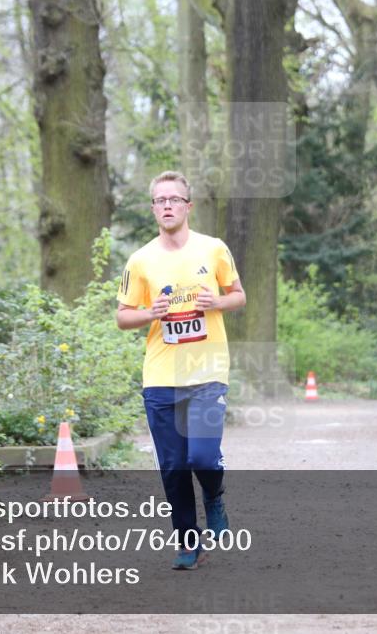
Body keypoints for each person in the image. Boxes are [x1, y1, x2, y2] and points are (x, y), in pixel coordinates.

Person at [116, 170, 246, 570]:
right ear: (153, 208)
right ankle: (189, 543)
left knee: (203, 458)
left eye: (174, 199)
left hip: (207, 372)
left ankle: (214, 498)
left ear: (188, 206)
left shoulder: (214, 250)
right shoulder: (141, 260)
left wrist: (216, 303)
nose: (167, 205)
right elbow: (122, 317)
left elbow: (239, 296)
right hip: (160, 377)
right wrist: (147, 313)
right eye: (160, 200)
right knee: (173, 467)